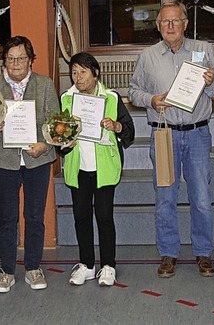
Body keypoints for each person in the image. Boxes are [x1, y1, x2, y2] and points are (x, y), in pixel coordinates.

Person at [129, 0, 214, 278]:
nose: (170, 26)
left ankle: (204, 253)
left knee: (202, 198)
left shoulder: (203, 50)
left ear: (185, 24)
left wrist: (210, 82)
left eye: (176, 21)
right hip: (163, 135)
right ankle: (169, 253)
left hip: (197, 134)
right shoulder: (147, 56)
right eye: (165, 22)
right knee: (165, 198)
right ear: (158, 26)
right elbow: (134, 92)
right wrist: (151, 99)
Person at [0, 36, 59, 293]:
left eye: (21, 57)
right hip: (4, 162)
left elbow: (56, 124)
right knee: (6, 218)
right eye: (11, 58)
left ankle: (33, 267)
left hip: (38, 159)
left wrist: (46, 145)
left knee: (34, 217)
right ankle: (7, 270)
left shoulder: (44, 85)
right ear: (4, 61)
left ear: (31, 60)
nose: (16, 63)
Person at [59, 52, 135, 286]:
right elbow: (58, 136)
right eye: (74, 72)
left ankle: (108, 266)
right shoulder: (66, 99)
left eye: (83, 72)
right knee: (81, 217)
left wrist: (116, 125)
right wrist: (63, 139)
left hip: (104, 169)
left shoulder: (111, 98)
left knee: (104, 217)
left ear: (96, 73)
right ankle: (87, 265)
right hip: (77, 168)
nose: (78, 77)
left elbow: (129, 132)